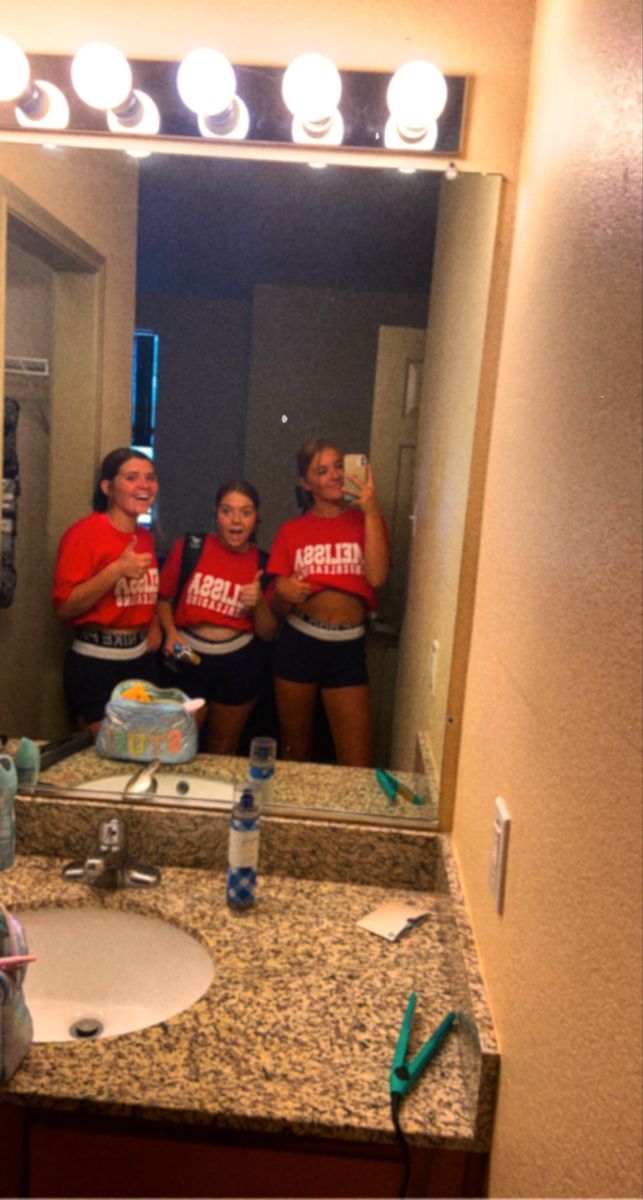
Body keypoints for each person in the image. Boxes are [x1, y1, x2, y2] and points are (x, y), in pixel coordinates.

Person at [267, 438, 389, 767]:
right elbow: (274, 611)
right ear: (306, 484)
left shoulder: (368, 521)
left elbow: (377, 578)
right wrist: (284, 593)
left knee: (357, 760)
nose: (335, 475)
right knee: (295, 752)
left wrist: (371, 509)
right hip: (298, 644)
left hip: (348, 647)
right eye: (322, 470)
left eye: (338, 466)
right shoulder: (291, 531)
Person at [156, 480, 277, 755]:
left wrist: (258, 603)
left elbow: (268, 633)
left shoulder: (263, 563)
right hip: (187, 658)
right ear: (216, 515)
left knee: (223, 748)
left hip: (239, 664)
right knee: (176, 744)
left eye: (245, 512)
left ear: (256, 517)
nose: (236, 520)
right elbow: (163, 598)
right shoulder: (190, 547)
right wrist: (171, 633)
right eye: (227, 511)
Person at [51, 447, 161, 735]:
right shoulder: (83, 534)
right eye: (132, 477)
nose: (144, 485)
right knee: (100, 757)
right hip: (95, 664)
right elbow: (64, 608)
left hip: (140, 662)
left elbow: (143, 593)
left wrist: (154, 624)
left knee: (137, 748)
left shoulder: (145, 536)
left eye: (150, 478)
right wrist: (115, 571)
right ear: (107, 487)